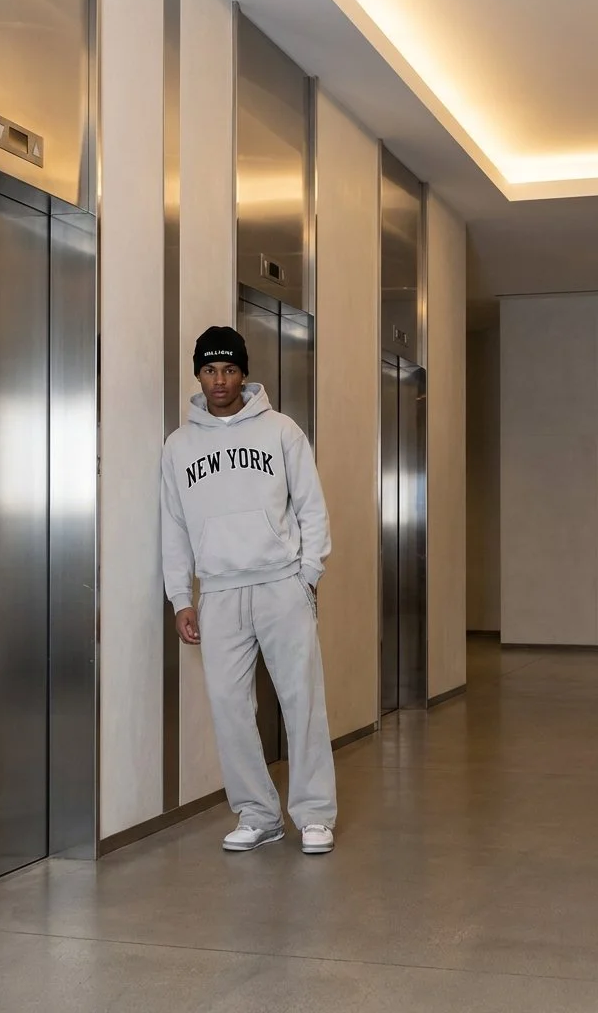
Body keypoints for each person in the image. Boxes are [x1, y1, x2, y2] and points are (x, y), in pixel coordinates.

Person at [161, 325, 337, 855]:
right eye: (210, 370)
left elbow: (311, 508)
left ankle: (313, 814)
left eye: (230, 370)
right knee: (228, 705)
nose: (220, 381)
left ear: (244, 373)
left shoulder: (282, 431)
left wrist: (307, 577)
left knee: (301, 699)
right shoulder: (178, 446)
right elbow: (173, 525)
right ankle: (258, 813)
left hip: (280, 584)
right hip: (218, 592)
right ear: (198, 374)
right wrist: (181, 597)